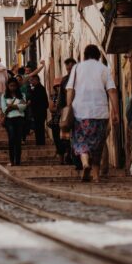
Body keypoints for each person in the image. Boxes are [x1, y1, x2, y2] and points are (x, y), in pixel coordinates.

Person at [62, 45, 119, 182]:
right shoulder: (103, 69)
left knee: (81, 140)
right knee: (98, 145)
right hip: (100, 113)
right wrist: (115, 111)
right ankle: (96, 176)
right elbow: (111, 91)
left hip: (80, 111)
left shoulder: (76, 68)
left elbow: (70, 90)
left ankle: (85, 163)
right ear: (98, 56)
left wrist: (69, 106)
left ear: (84, 55)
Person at [52, 57, 77, 166]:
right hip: (67, 112)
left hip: (80, 111)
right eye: (68, 69)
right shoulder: (65, 80)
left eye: (71, 68)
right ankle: (68, 155)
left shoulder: (81, 78)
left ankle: (75, 157)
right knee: (65, 136)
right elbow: (61, 97)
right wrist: (61, 112)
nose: (69, 71)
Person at [0, 79, 28, 166]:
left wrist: (12, 106)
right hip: (9, 119)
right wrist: (17, 106)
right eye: (11, 86)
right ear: (8, 86)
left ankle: (18, 161)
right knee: (11, 139)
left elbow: (23, 107)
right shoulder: (4, 96)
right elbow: (4, 109)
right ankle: (12, 160)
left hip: (19, 119)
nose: (13, 87)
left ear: (17, 86)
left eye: (14, 86)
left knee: (18, 140)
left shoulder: (22, 95)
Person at [26, 72, 49, 146]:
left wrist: (31, 101)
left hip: (39, 112)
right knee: (39, 128)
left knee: (39, 128)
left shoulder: (39, 89)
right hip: (39, 112)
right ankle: (39, 142)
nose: (30, 82)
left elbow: (39, 100)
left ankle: (40, 143)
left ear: (36, 80)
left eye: (32, 80)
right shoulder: (37, 88)